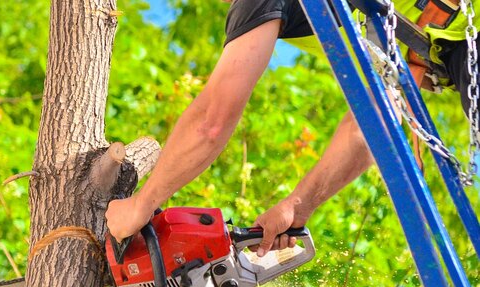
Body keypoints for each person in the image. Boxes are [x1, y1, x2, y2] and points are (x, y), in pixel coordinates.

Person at [105, 0, 479, 256]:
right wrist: (297, 205)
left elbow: (210, 124)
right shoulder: (343, 19)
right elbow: (369, 126)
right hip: (453, 44)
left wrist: (142, 204)